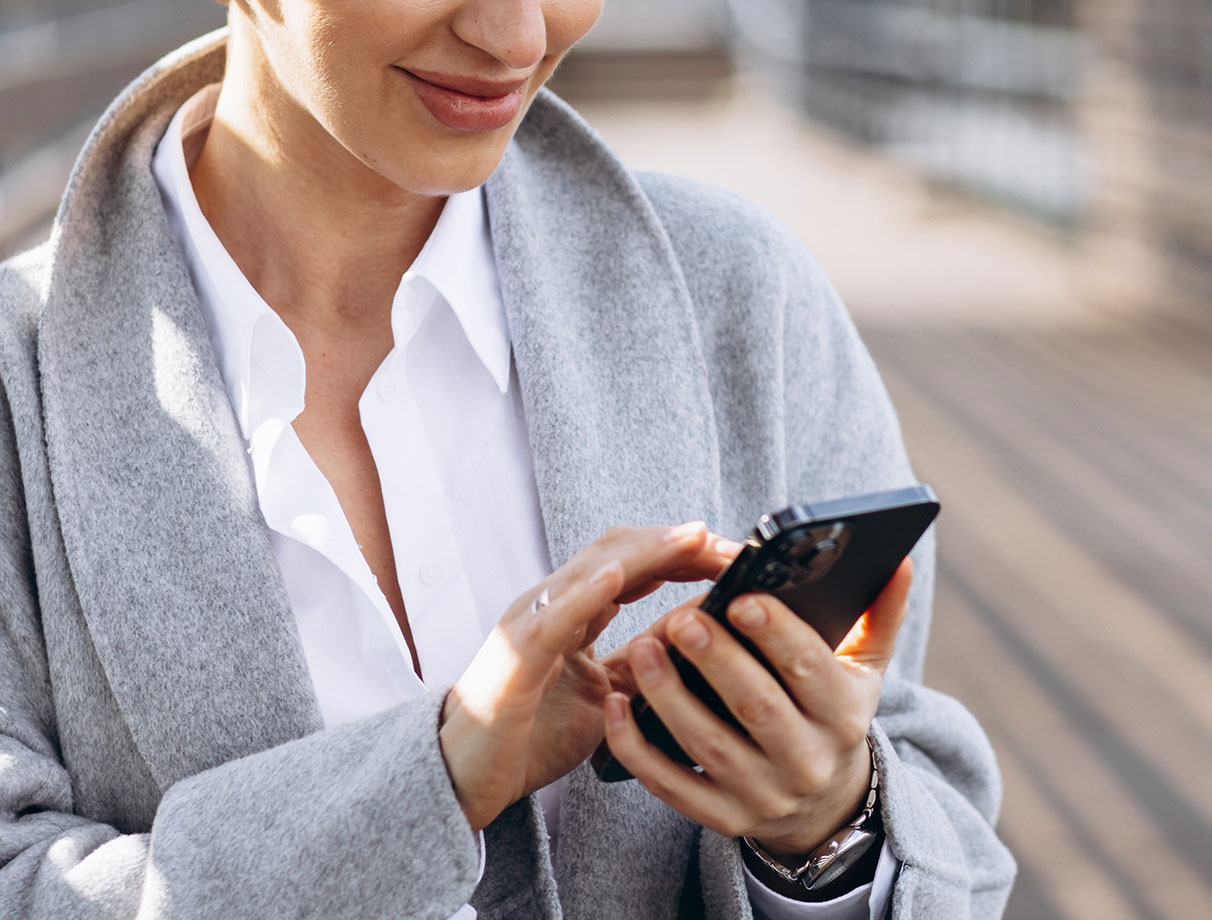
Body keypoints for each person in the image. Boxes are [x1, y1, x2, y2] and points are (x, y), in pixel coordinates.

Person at [0, 1, 1015, 918]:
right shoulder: (18, 390)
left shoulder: (742, 295)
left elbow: (927, 802)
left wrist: (822, 831)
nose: (517, 38)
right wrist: (429, 782)